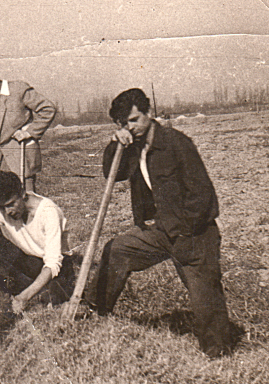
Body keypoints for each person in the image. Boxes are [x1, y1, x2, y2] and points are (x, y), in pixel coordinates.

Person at [86, 88, 233, 358]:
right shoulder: (132, 146)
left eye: (134, 120)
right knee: (117, 250)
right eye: (123, 123)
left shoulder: (177, 144)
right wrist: (114, 144)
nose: (130, 127)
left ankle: (218, 352)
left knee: (205, 301)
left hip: (194, 234)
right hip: (159, 230)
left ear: (149, 113)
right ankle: (94, 310)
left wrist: (182, 232)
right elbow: (112, 173)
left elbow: (203, 198)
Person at [0, 170, 74, 313]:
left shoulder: (48, 212)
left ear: (22, 194)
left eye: (11, 204)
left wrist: (23, 298)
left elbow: (53, 263)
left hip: (57, 268)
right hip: (31, 262)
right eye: (2, 207)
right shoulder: (3, 212)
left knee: (54, 295)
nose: (8, 212)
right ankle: (26, 290)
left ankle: (31, 292)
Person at [0, 63, 56, 192]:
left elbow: (48, 109)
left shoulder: (18, 89)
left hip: (20, 154)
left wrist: (29, 132)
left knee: (26, 199)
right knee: (4, 201)